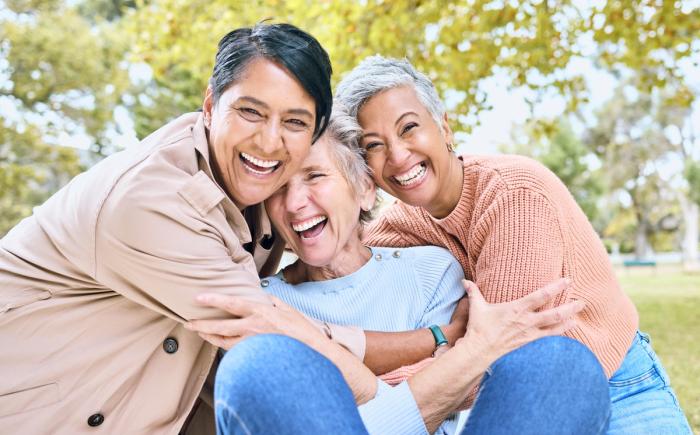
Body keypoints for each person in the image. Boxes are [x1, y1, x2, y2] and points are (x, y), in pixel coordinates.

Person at [0, 23, 368, 434]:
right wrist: (431, 347)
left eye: (295, 122)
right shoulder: (150, 199)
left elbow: (366, 198)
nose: (269, 141)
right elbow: (269, 331)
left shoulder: (263, 192)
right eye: (251, 112)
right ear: (209, 106)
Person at [199, 104, 611, 435]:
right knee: (258, 363)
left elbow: (456, 401)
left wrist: (327, 350)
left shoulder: (429, 272)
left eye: (315, 176)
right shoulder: (263, 305)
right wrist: (466, 350)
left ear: (364, 189)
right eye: (280, 187)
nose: (294, 204)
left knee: (560, 364)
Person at [335, 55, 692, 433]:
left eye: (408, 128)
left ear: (444, 127)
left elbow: (496, 351)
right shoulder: (402, 224)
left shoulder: (514, 195)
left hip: (618, 382)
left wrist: (368, 387)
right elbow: (337, 257)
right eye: (374, 145)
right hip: (528, 397)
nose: (398, 155)